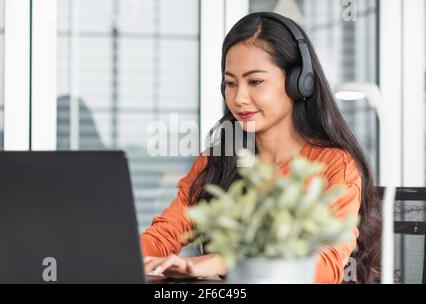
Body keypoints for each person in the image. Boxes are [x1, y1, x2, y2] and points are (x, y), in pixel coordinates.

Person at [140, 12, 381, 284]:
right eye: (230, 83)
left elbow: (326, 265)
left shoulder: (335, 165)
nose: (239, 98)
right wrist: (125, 259)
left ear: (298, 82)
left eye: (255, 82)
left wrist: (223, 261)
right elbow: (167, 232)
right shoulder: (221, 159)